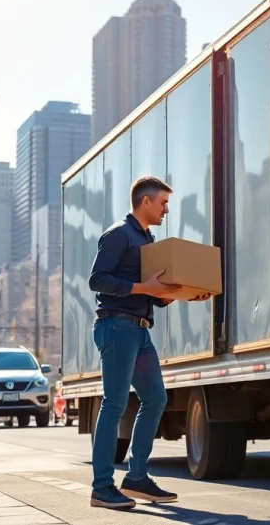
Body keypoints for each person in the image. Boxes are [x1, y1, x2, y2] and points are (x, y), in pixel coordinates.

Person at [87, 176, 205, 509]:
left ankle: (137, 476)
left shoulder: (148, 240)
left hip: (139, 330)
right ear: (146, 202)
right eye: (163, 203)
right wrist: (144, 289)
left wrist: (182, 294)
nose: (167, 209)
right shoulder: (118, 235)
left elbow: (153, 292)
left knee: (155, 398)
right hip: (116, 326)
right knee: (114, 404)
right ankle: (102, 487)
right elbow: (98, 280)